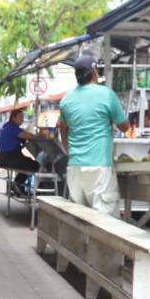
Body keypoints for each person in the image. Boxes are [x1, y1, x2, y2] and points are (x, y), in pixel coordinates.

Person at [59, 54, 129, 214]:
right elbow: (124, 127)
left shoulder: (66, 99)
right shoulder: (106, 94)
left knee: (78, 219)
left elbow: (63, 130)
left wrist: (68, 151)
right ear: (94, 72)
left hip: (74, 167)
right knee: (105, 223)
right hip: (99, 168)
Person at [0, 109, 41, 195]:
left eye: (23, 117)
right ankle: (17, 184)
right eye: (20, 117)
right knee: (34, 165)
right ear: (13, 118)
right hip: (9, 157)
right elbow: (28, 136)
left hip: (4, 157)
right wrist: (39, 136)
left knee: (28, 161)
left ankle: (17, 184)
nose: (22, 119)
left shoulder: (8, 126)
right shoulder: (12, 128)